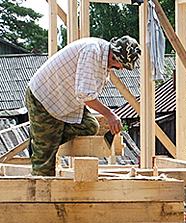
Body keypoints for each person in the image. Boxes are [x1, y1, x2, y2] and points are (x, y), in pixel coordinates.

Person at [26, 36, 141, 176]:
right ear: (114, 54)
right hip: (44, 99)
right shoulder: (92, 51)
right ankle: (42, 150)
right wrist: (110, 115)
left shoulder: (103, 60)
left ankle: (42, 140)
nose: (121, 68)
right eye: (121, 63)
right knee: (44, 164)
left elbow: (88, 93)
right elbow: (86, 95)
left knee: (90, 126)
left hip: (65, 103)